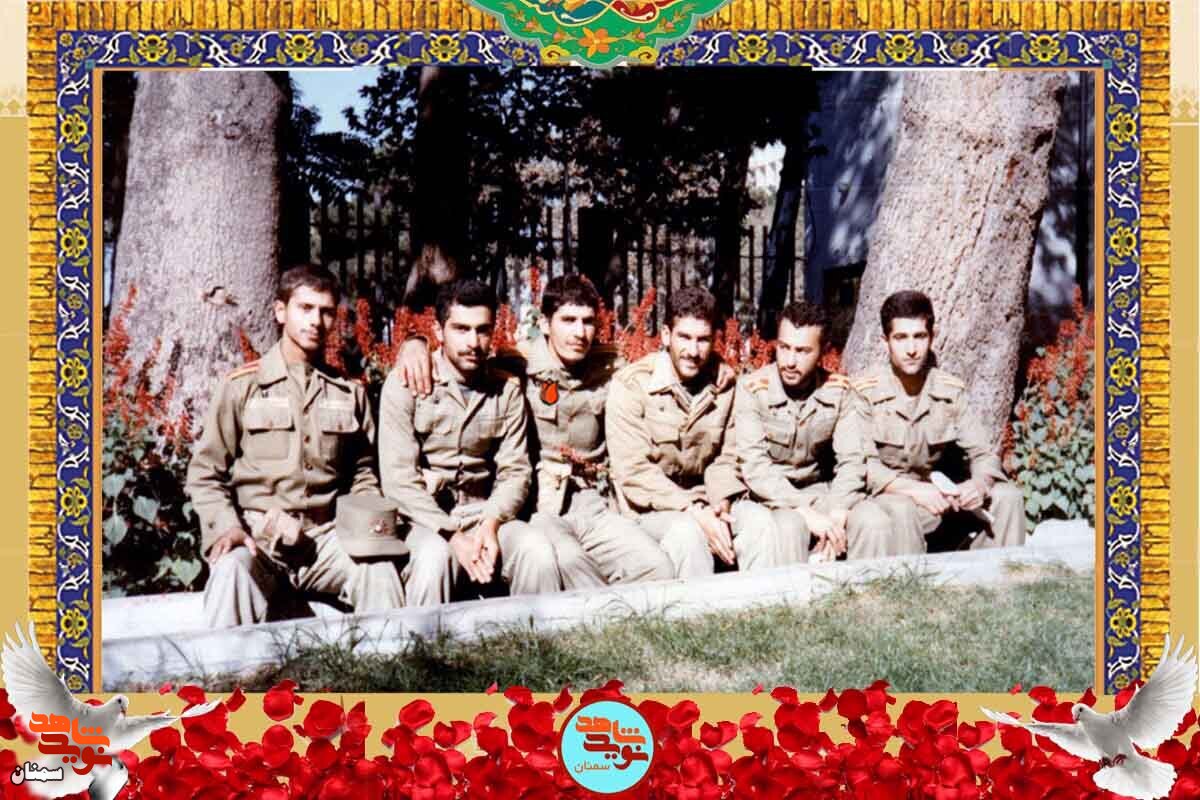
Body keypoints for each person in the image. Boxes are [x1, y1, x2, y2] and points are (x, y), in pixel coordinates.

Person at [187, 264, 422, 628]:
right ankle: (221, 666)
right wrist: (226, 528)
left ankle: (392, 663)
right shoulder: (242, 387)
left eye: (326, 311)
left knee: (379, 571)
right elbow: (206, 471)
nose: (316, 321)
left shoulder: (349, 393)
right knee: (231, 569)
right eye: (305, 308)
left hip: (327, 540)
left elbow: (362, 472)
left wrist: (366, 527)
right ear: (281, 311)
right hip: (259, 538)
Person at [378, 279, 593, 595]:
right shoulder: (406, 384)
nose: (473, 342)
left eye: (482, 330)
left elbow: (515, 472)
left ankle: (538, 628)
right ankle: (423, 631)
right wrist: (453, 536)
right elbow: (399, 481)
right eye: (461, 329)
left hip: (486, 514)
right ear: (439, 331)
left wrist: (491, 523)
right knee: (433, 559)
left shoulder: (506, 390)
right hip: (427, 520)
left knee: (536, 550)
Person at [499, 275, 673, 585]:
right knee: (569, 561)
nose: (580, 333)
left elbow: (660, 366)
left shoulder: (608, 367)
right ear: (546, 323)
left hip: (595, 504)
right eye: (568, 320)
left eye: (588, 322)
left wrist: (722, 367)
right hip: (543, 506)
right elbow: (458, 361)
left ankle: (615, 611)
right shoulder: (518, 364)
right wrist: (414, 346)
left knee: (656, 565)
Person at [606, 287, 790, 576]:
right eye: (684, 337)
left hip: (710, 498)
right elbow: (634, 471)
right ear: (666, 335)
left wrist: (720, 504)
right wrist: (694, 509)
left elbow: (730, 455)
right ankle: (694, 606)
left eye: (703, 340)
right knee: (687, 535)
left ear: (714, 339)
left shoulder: (726, 385)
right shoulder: (632, 385)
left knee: (760, 523)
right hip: (650, 508)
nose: (693, 352)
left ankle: (762, 603)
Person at [855, 290, 1025, 553]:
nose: (911, 349)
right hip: (889, 498)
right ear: (885, 341)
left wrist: (978, 485)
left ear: (931, 338)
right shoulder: (864, 392)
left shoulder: (950, 390)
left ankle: (999, 576)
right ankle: (913, 579)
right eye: (900, 338)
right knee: (902, 509)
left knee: (1008, 497)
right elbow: (862, 466)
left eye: (919, 336)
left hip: (940, 496)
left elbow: (983, 453)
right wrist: (912, 490)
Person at [734, 301, 890, 563]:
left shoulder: (839, 391)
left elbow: (852, 460)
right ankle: (794, 590)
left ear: (822, 352)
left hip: (822, 493)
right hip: (771, 497)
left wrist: (838, 512)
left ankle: (870, 588)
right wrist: (803, 510)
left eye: (803, 351)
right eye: (784, 348)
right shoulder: (753, 389)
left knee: (872, 521)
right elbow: (755, 468)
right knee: (789, 526)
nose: (790, 361)